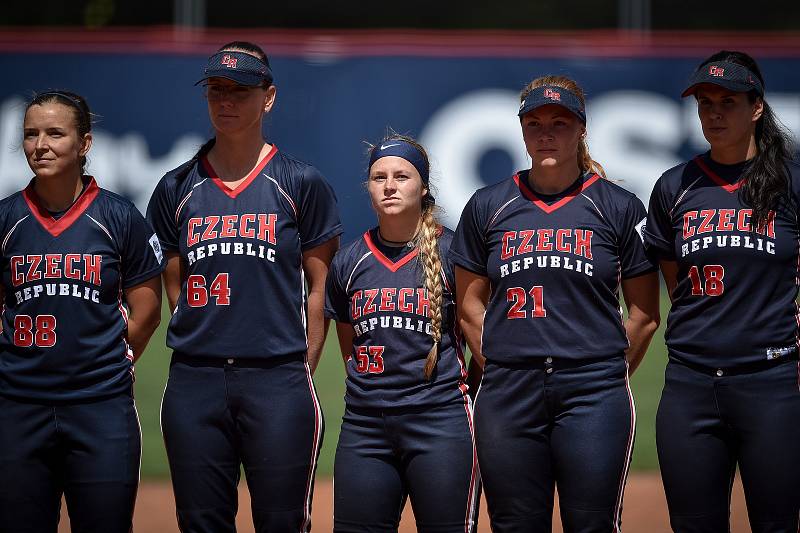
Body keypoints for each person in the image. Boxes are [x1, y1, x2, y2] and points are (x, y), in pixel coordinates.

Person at [451, 75, 660, 532]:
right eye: (535, 123)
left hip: (592, 391)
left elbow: (644, 314)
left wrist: (603, 372)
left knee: (591, 522)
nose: (546, 133)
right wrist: (503, 362)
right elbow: (469, 306)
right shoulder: (488, 206)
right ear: (522, 130)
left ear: (582, 128)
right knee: (515, 523)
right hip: (509, 389)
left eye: (560, 123)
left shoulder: (617, 207)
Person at [147, 41, 341, 533]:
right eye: (216, 90)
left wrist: (304, 367)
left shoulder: (300, 183)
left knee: (282, 522)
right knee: (201, 522)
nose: (226, 101)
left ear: (268, 98)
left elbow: (320, 288)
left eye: (239, 90)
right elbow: (175, 281)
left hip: (276, 378)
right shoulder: (176, 186)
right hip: (197, 379)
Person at [644, 50, 800, 533]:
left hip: (772, 381)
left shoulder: (790, 183)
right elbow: (676, 280)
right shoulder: (677, 186)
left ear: (756, 108)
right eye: (704, 102)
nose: (713, 113)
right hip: (691, 385)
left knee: (776, 523)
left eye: (727, 101)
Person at [0, 90, 164, 532]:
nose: (41, 144)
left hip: (100, 406)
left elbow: (147, 308)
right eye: (31, 134)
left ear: (85, 143)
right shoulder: (6, 219)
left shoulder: (118, 218)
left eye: (55, 133)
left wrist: (115, 360)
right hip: (18, 405)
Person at [325, 134, 480, 532]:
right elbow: (350, 342)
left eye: (401, 176)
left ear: (423, 186)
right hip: (365, 426)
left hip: (439, 421)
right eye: (379, 177)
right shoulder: (349, 261)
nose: (389, 185)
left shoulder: (454, 251)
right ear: (368, 187)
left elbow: (477, 332)